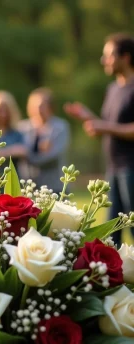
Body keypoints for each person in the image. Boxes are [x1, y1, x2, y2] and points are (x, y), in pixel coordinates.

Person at [65, 33, 134, 244]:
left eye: (109, 55)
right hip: (113, 168)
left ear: (126, 57)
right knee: (111, 230)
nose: (104, 61)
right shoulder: (112, 89)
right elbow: (110, 126)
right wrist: (89, 118)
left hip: (131, 168)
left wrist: (103, 126)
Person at [19, 88, 70, 192]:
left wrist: (25, 155)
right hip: (28, 187)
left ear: (50, 107)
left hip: (54, 186)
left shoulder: (60, 127)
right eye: (35, 106)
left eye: (42, 106)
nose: (39, 109)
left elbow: (53, 155)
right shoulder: (21, 128)